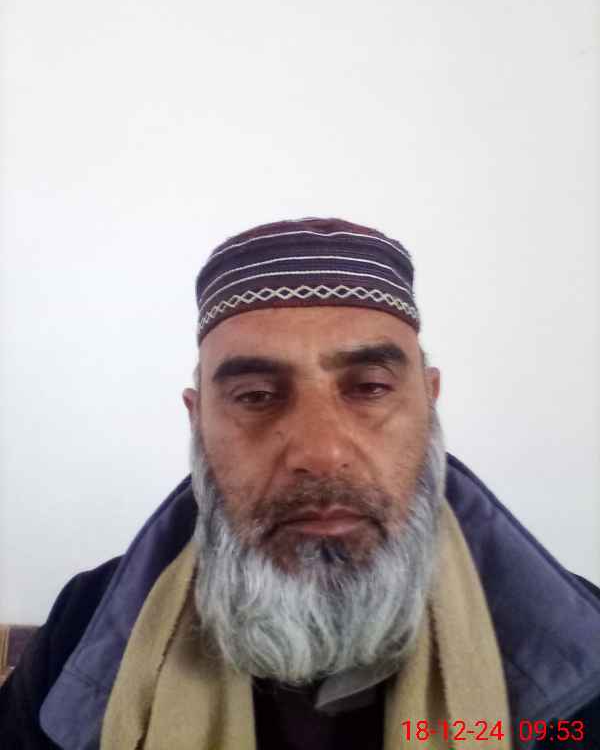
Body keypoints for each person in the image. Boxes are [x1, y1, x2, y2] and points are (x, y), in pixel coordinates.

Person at [1, 217, 599, 750]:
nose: (321, 454)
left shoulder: (579, 652)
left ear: (429, 400)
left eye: (369, 388)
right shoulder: (86, 627)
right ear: (198, 419)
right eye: (256, 396)